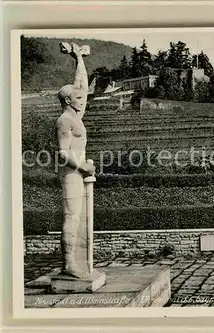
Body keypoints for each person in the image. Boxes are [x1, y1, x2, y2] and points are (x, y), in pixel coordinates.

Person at [56, 42, 95, 279]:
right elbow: (62, 152)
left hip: (78, 172)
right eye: (79, 98)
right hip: (71, 173)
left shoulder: (75, 114)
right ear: (69, 101)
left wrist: (77, 57)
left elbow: (82, 84)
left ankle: (75, 261)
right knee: (71, 216)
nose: (84, 99)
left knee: (78, 217)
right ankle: (68, 263)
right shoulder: (64, 121)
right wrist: (82, 166)